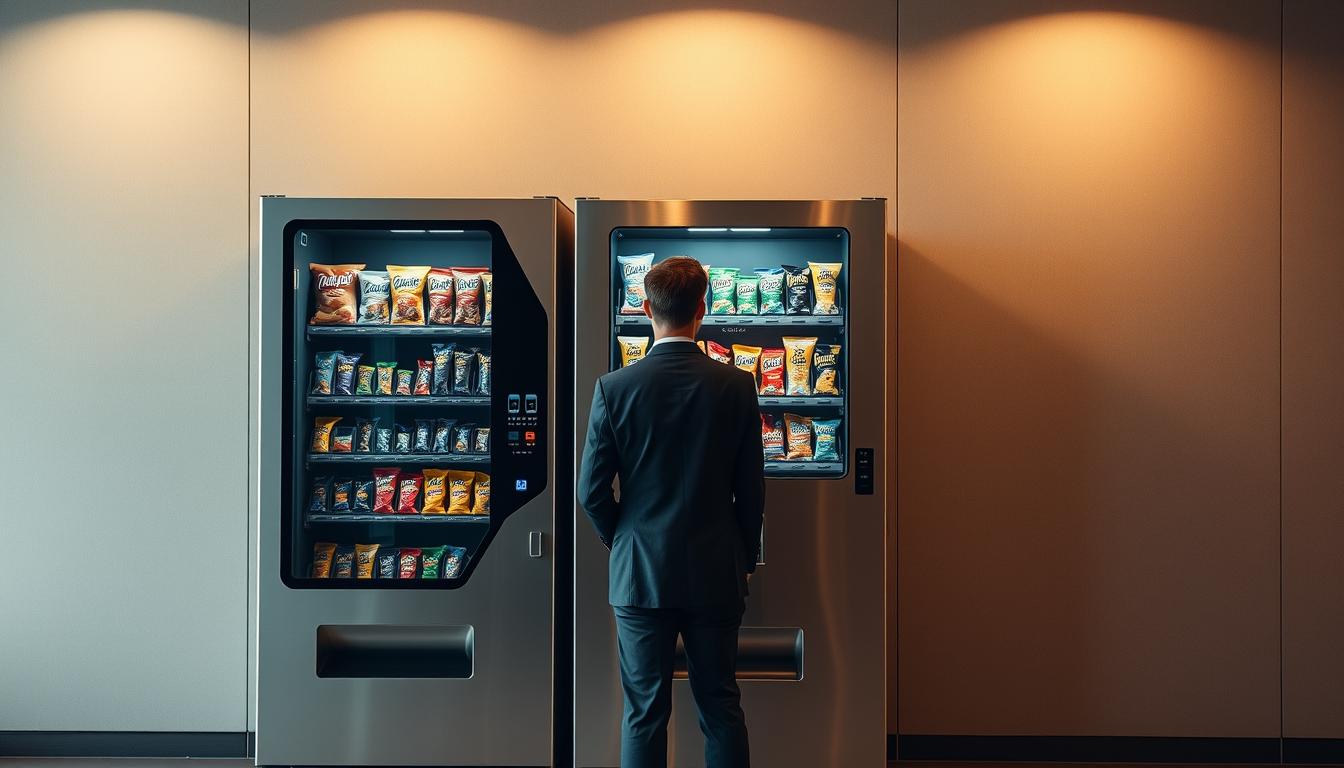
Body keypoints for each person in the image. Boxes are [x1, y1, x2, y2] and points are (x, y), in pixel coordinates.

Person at [579, 255, 765, 768]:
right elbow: (751, 490)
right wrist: (743, 557)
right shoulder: (735, 385)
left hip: (640, 573)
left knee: (644, 713)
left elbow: (590, 490)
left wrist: (621, 539)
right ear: (701, 309)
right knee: (721, 707)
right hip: (714, 569)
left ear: (645, 309)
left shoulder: (613, 389)